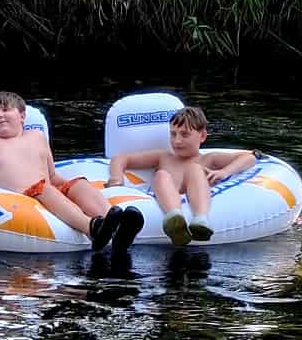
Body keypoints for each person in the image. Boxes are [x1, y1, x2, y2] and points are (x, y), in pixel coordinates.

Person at [0, 91, 143, 255]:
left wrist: (76, 186)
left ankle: (117, 223)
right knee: (44, 188)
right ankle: (93, 228)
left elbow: (51, 175)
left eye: (5, 110)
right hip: (18, 197)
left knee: (77, 183)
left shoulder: (37, 137)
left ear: (22, 116)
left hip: (44, 187)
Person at [108, 104, 253, 248]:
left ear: (202, 136)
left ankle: (200, 219)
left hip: (195, 196)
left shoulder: (208, 159)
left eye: (184, 134)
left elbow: (249, 158)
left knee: (195, 169)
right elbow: (121, 158)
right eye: (173, 134)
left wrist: (224, 172)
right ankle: (174, 218)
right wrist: (116, 179)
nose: (177, 141)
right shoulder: (163, 157)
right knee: (162, 175)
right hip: (166, 198)